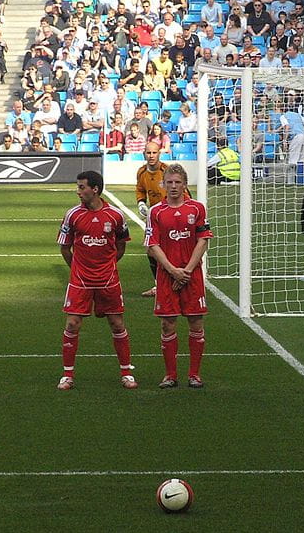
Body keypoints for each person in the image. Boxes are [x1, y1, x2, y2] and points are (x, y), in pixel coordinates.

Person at [56, 170, 137, 391]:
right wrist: (77, 269)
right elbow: (65, 247)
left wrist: (108, 265)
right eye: (78, 186)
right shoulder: (72, 215)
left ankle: (126, 372)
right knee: (72, 324)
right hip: (80, 281)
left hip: (108, 280)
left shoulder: (116, 215)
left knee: (117, 323)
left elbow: (121, 244)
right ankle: (67, 375)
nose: (78, 191)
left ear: (95, 189)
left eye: (82, 187)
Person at [144, 163, 213, 389]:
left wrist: (188, 270)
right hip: (167, 276)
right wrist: (173, 270)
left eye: (178, 182)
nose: (173, 186)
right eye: (169, 182)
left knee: (195, 322)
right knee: (168, 324)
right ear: (164, 184)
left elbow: (203, 239)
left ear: (185, 184)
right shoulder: (156, 212)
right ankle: (170, 375)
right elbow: (152, 245)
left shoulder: (197, 209)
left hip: (191, 276)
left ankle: (194, 374)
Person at [135, 140, 176, 299]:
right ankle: (159, 285)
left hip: (172, 215)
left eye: (154, 152)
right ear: (144, 154)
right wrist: (140, 203)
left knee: (172, 250)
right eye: (148, 153)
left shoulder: (167, 171)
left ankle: (177, 280)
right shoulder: (141, 172)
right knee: (151, 249)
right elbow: (139, 189)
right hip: (154, 216)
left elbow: (183, 193)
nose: (151, 156)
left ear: (159, 153)